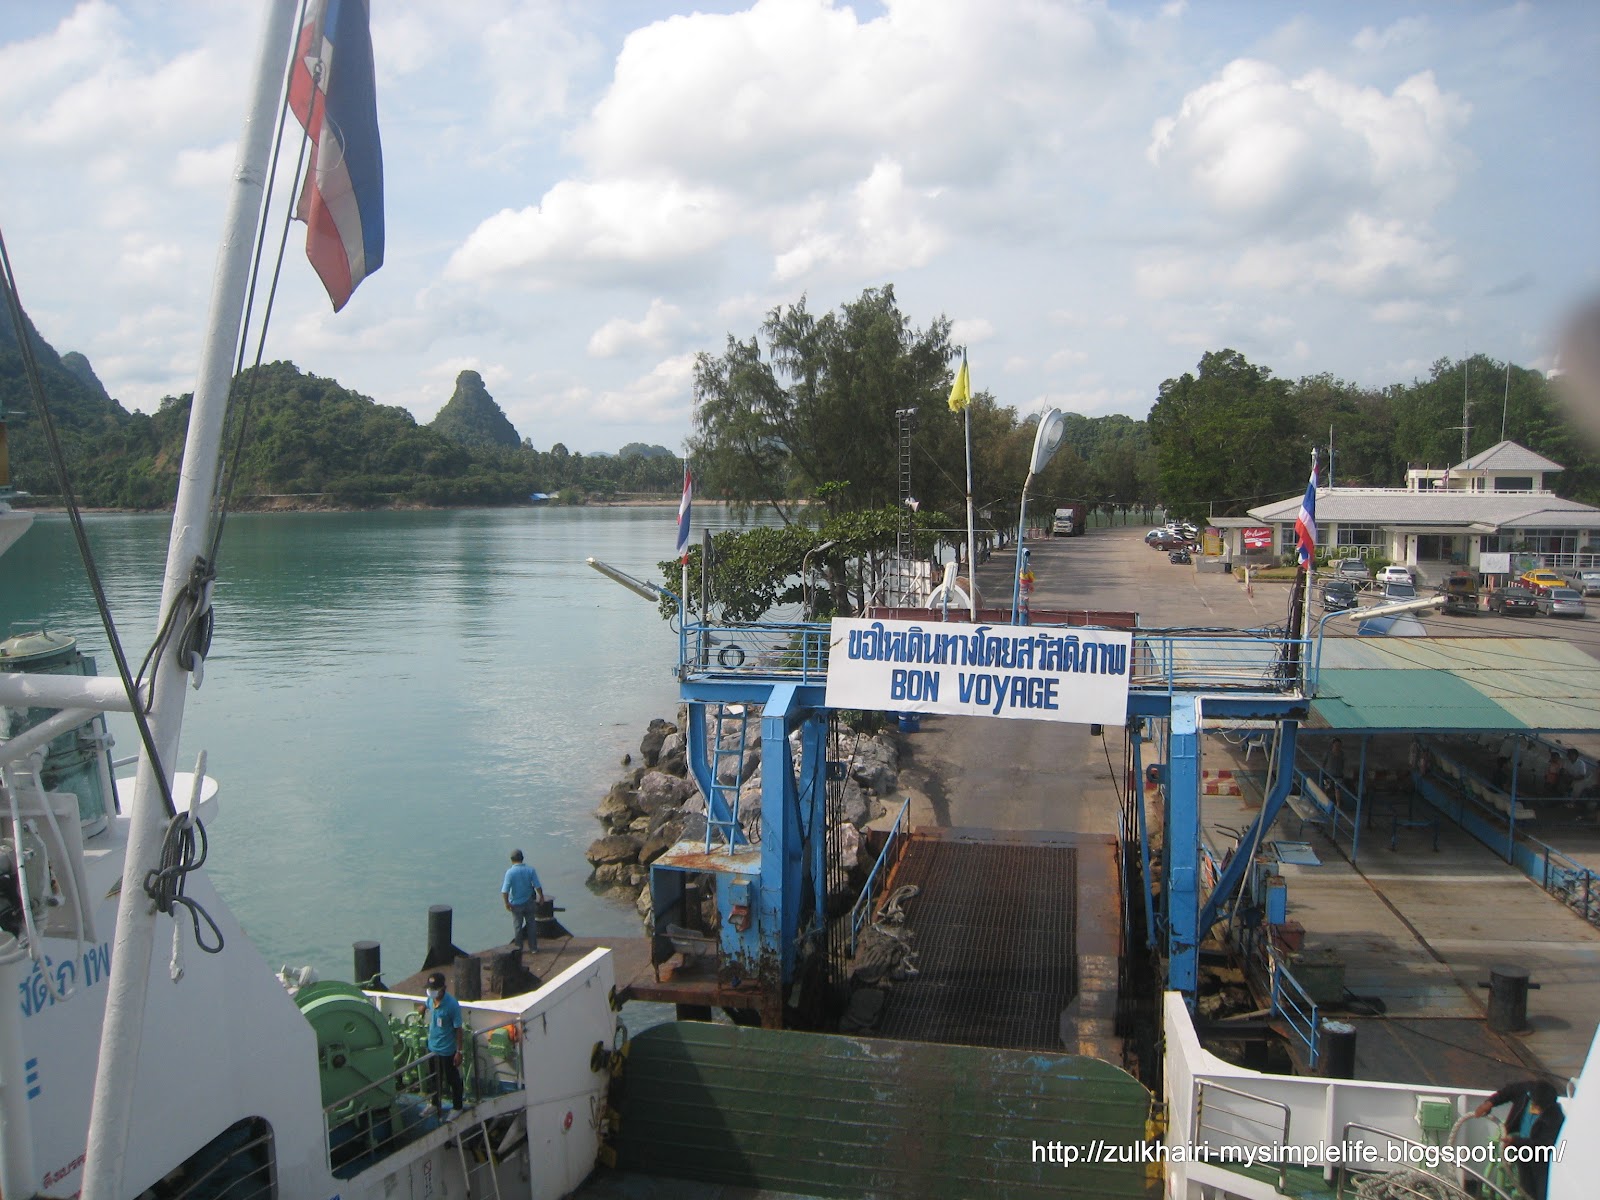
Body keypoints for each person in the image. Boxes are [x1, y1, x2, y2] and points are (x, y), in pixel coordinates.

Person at [1473, 1079, 1565, 1199]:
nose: (1537, 1108)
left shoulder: (1555, 1117)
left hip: (1540, 1157)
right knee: (1526, 1186)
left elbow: (1544, 1144)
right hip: (1522, 1150)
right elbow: (1507, 1092)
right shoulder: (1525, 1091)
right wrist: (1490, 1103)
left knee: (1540, 1192)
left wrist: (1515, 1141)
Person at [422, 971, 464, 1118]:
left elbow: (458, 1029)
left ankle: (457, 1106)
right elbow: (426, 1005)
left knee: (452, 1079)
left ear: (443, 989)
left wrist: (459, 1051)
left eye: (434, 990)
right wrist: (422, 1010)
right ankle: (434, 1103)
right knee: (434, 1078)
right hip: (432, 1047)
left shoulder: (452, 1005)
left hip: (447, 1050)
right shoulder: (430, 1001)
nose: (431, 992)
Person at [502, 849, 544, 954]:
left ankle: (518, 949)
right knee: (531, 925)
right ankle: (533, 948)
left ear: (511, 860)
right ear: (522, 858)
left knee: (518, 927)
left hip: (516, 904)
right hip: (529, 902)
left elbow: (505, 890)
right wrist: (541, 897)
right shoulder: (530, 870)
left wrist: (506, 903)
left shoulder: (510, 872)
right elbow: (537, 886)